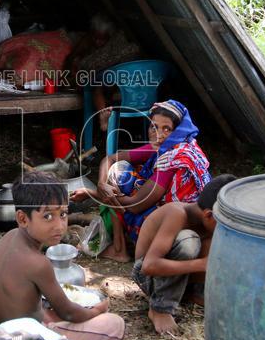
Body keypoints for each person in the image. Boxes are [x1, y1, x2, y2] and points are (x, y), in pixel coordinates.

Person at [0, 172, 126, 340]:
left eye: (64, 214)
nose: (59, 225)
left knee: (48, 313)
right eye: (48, 216)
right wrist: (97, 310)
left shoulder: (9, 237)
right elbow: (70, 313)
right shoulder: (38, 263)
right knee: (116, 325)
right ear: (23, 218)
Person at [72, 99, 212, 249]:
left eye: (167, 129)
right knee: (118, 168)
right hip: (176, 215)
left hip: (173, 225)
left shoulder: (173, 159)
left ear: (177, 130)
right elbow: (111, 158)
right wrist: (101, 184)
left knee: (118, 175)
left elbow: (135, 205)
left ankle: (119, 249)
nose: (158, 134)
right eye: (154, 127)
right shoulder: (173, 144)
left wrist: (91, 194)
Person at [132, 175, 236, 335]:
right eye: (225, 222)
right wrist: (202, 264)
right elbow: (149, 266)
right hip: (147, 275)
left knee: (213, 243)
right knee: (189, 240)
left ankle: (193, 293)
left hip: (180, 275)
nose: (227, 228)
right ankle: (160, 308)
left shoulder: (207, 225)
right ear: (209, 215)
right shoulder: (177, 213)